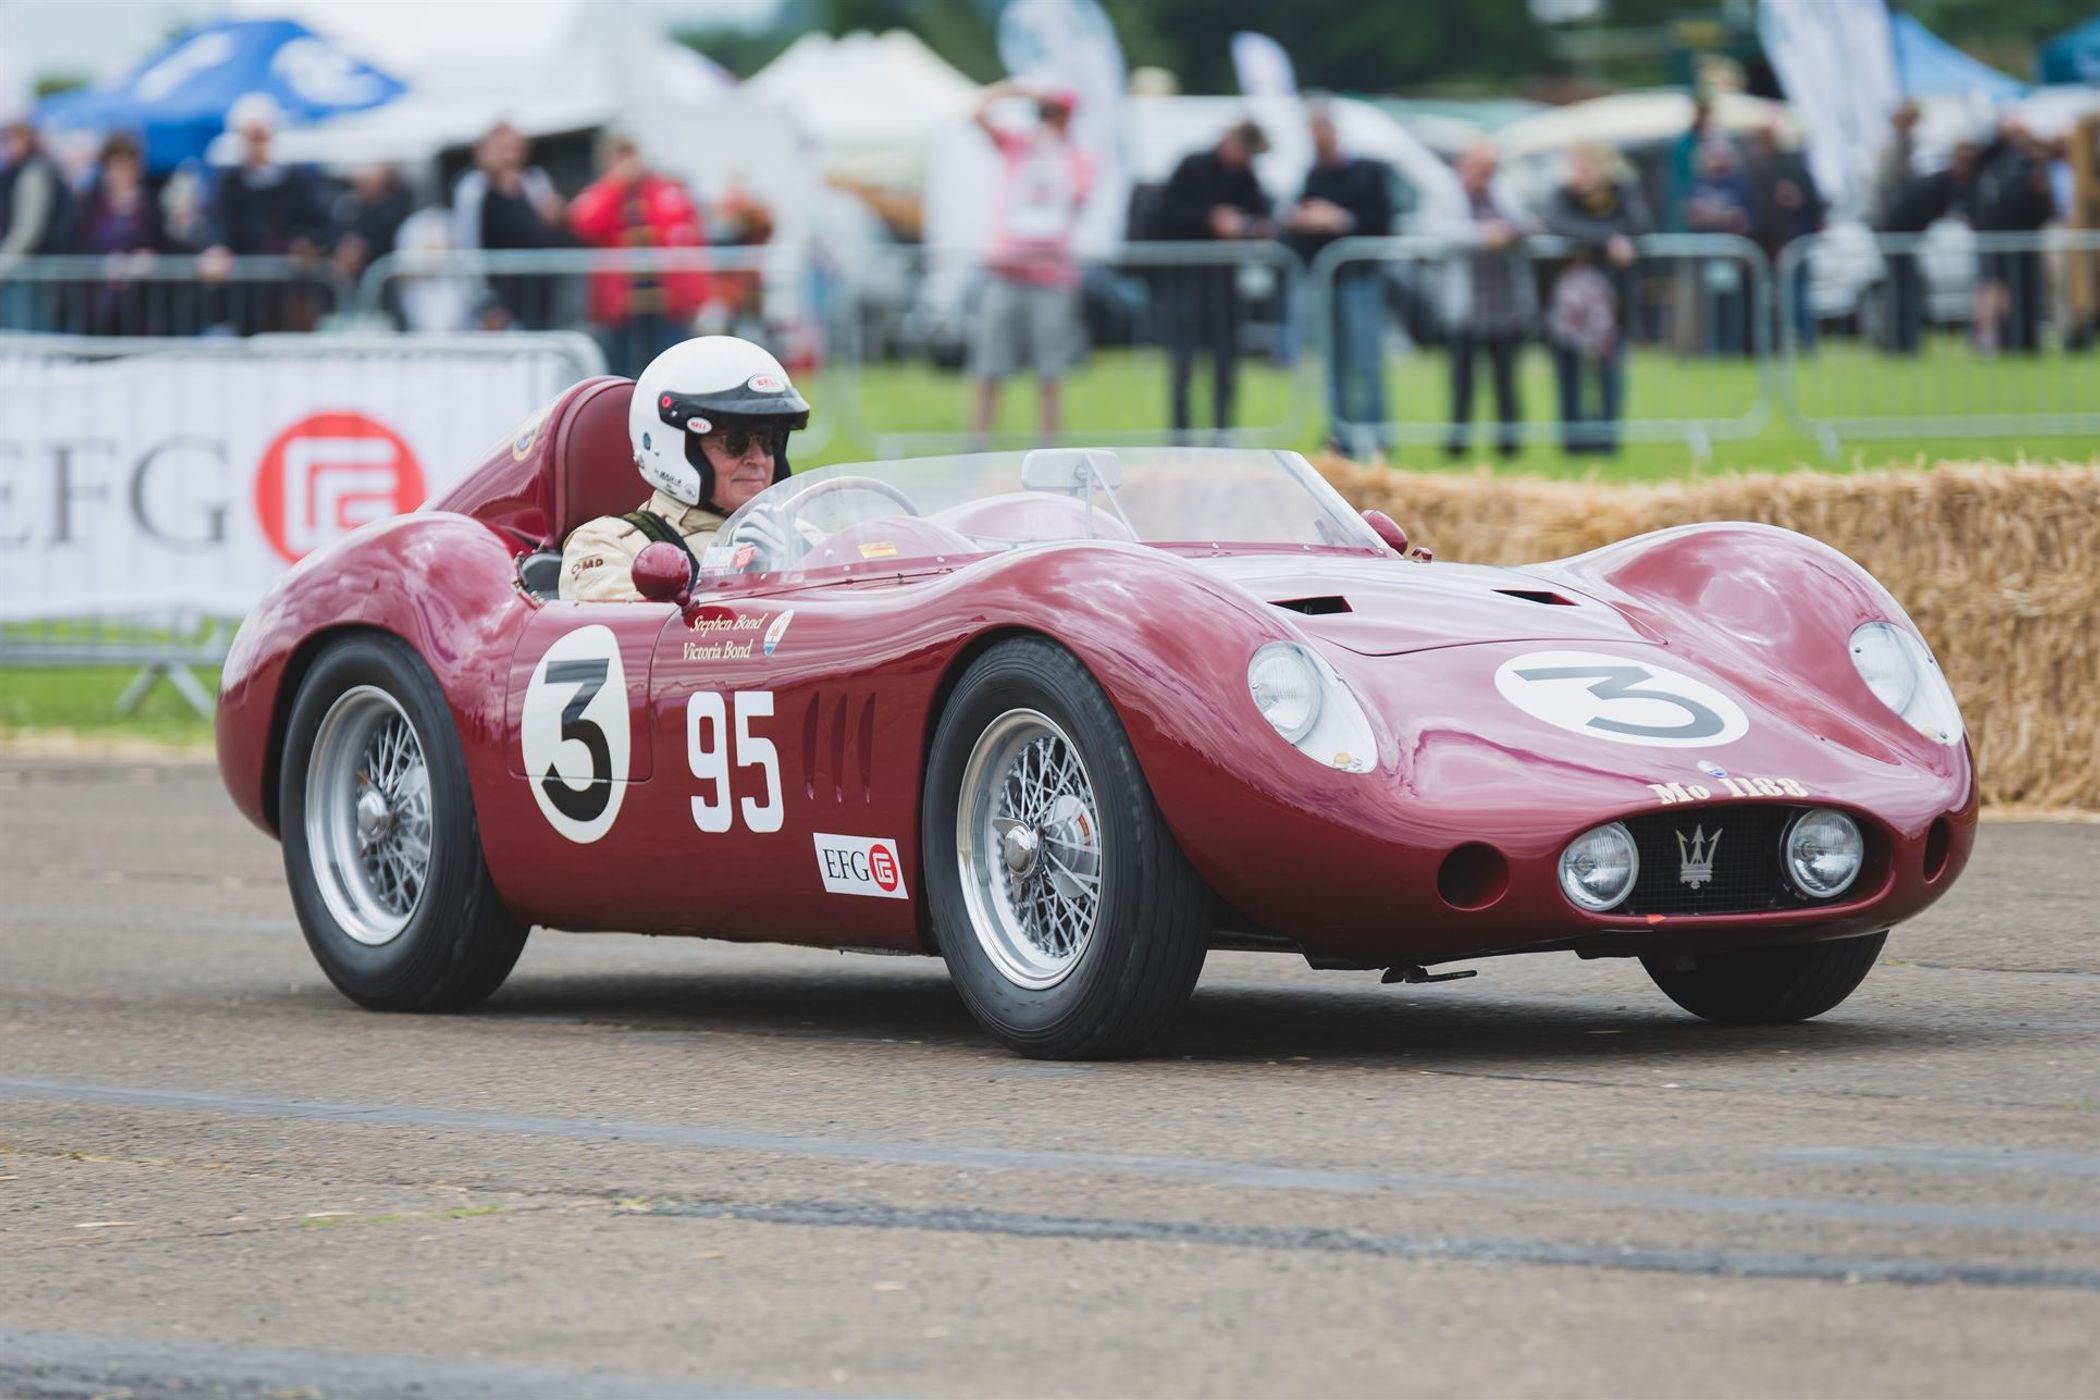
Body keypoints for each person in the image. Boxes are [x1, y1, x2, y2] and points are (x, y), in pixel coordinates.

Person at [560, 336, 810, 603]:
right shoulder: (609, 545)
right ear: (673, 445)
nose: (759, 458)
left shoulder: (802, 536)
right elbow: (626, 627)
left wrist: (797, 566)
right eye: (736, 443)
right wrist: (731, 582)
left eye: (771, 441)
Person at [968, 81, 1092, 446]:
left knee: (1050, 372)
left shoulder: (1077, 159)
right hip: (1006, 272)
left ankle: (1049, 448)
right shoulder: (1018, 146)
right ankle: (977, 447)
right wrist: (1015, 91)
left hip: (1052, 277)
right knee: (989, 367)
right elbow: (976, 114)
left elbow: (1078, 198)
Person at [1283, 100, 1395, 458]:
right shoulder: (1313, 176)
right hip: (1327, 280)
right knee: (1334, 363)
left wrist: (1339, 219)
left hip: (1360, 278)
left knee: (1366, 361)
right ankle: (1340, 436)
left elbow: (1381, 221)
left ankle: (1376, 436)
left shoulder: (1367, 171)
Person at [1154, 119, 1273, 440]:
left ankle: (1223, 432)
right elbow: (1164, 216)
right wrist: (1210, 221)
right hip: (1187, 281)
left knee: (1226, 361)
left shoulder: (1246, 177)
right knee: (1183, 362)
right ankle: (1181, 436)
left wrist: (1248, 228)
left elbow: (1262, 219)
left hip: (1225, 284)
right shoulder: (1192, 166)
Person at [568, 132, 710, 379]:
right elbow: (586, 226)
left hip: (667, 301)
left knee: (671, 365)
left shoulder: (663, 191)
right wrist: (615, 187)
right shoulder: (601, 193)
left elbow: (682, 231)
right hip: (620, 304)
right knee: (620, 369)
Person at [1543, 143, 1651, 455]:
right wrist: (1608, 239)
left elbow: (1640, 224)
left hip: (1612, 301)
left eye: (1584, 166)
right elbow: (1559, 224)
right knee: (1568, 367)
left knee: (1609, 369)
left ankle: (1606, 439)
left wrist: (1599, 237)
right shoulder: (1562, 195)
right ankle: (1573, 440)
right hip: (1569, 302)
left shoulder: (1623, 193)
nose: (1578, 173)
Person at [199, 94, 333, 333]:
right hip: (245, 294)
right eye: (250, 138)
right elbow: (217, 223)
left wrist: (308, 243)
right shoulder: (229, 183)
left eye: (259, 137)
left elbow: (319, 223)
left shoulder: (297, 180)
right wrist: (216, 248)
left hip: (290, 290)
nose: (255, 146)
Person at [1432, 140, 1532, 460]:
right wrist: (1481, 235)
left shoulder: (1505, 194)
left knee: (1506, 380)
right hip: (1467, 306)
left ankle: (1509, 445)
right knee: (1462, 380)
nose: (1485, 176)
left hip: (1504, 305)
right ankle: (1457, 443)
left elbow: (1524, 223)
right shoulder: (1445, 195)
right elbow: (1432, 231)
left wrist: (1511, 232)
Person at [451, 122, 566, 330]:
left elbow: (549, 229)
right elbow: (467, 243)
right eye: (504, 148)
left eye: (516, 147)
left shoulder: (535, 181)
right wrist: (484, 301)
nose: (512, 154)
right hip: (497, 298)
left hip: (538, 294)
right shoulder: (474, 189)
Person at [1968, 116, 2056, 355]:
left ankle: (2010, 337)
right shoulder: (1995, 160)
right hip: (1996, 236)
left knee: (2006, 288)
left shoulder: (2024, 164)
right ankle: (1990, 337)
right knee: (1993, 287)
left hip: (2014, 238)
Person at [71, 132, 167, 335]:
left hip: (140, 300)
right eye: (115, 166)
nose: (121, 173)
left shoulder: (150, 204)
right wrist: (104, 263)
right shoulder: (91, 203)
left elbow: (163, 241)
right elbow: (78, 242)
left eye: (127, 165)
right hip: (98, 299)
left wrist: (147, 257)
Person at [1746, 122, 1824, 352]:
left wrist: (1798, 199)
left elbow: (1811, 202)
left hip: (1792, 241)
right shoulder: (1765, 166)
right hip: (1776, 243)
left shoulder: (1790, 166)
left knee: (1796, 295)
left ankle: (1804, 343)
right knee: (1782, 297)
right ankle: (1784, 343)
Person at [1684, 139, 1758, 356]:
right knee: (1711, 305)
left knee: (1735, 304)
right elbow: (1691, 213)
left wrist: (1727, 217)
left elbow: (1749, 215)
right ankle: (1714, 348)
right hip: (1709, 253)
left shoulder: (1740, 182)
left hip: (1735, 254)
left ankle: (1734, 347)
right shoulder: (1699, 182)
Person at [1, 121, 74, 329]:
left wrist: (3, 263)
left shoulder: (33, 172)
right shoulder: (18, 171)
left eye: (16, 139)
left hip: (30, 270)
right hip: (26, 270)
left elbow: (28, 231)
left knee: (27, 336)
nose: (10, 145)